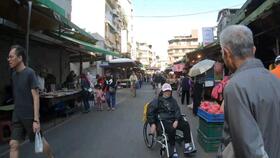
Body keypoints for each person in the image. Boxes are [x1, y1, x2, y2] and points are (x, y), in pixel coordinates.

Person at [219, 25, 280, 158]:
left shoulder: (235, 86)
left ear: (226, 53)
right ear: (253, 49)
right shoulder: (274, 79)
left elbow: (250, 150)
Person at [7, 45, 54, 158]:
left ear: (20, 58)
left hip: (29, 116)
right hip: (17, 115)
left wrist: (36, 120)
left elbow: (36, 96)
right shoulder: (13, 75)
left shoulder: (30, 73)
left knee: (40, 141)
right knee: (13, 144)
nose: (8, 59)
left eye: (11, 57)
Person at [147, 83, 194, 158]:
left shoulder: (173, 100)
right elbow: (150, 112)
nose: (167, 92)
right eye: (166, 91)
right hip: (164, 121)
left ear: (171, 91)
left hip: (174, 119)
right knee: (172, 129)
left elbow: (177, 110)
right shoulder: (157, 101)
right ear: (162, 91)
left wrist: (177, 120)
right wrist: (152, 123)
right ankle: (172, 149)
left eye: (169, 91)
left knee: (185, 124)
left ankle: (187, 145)